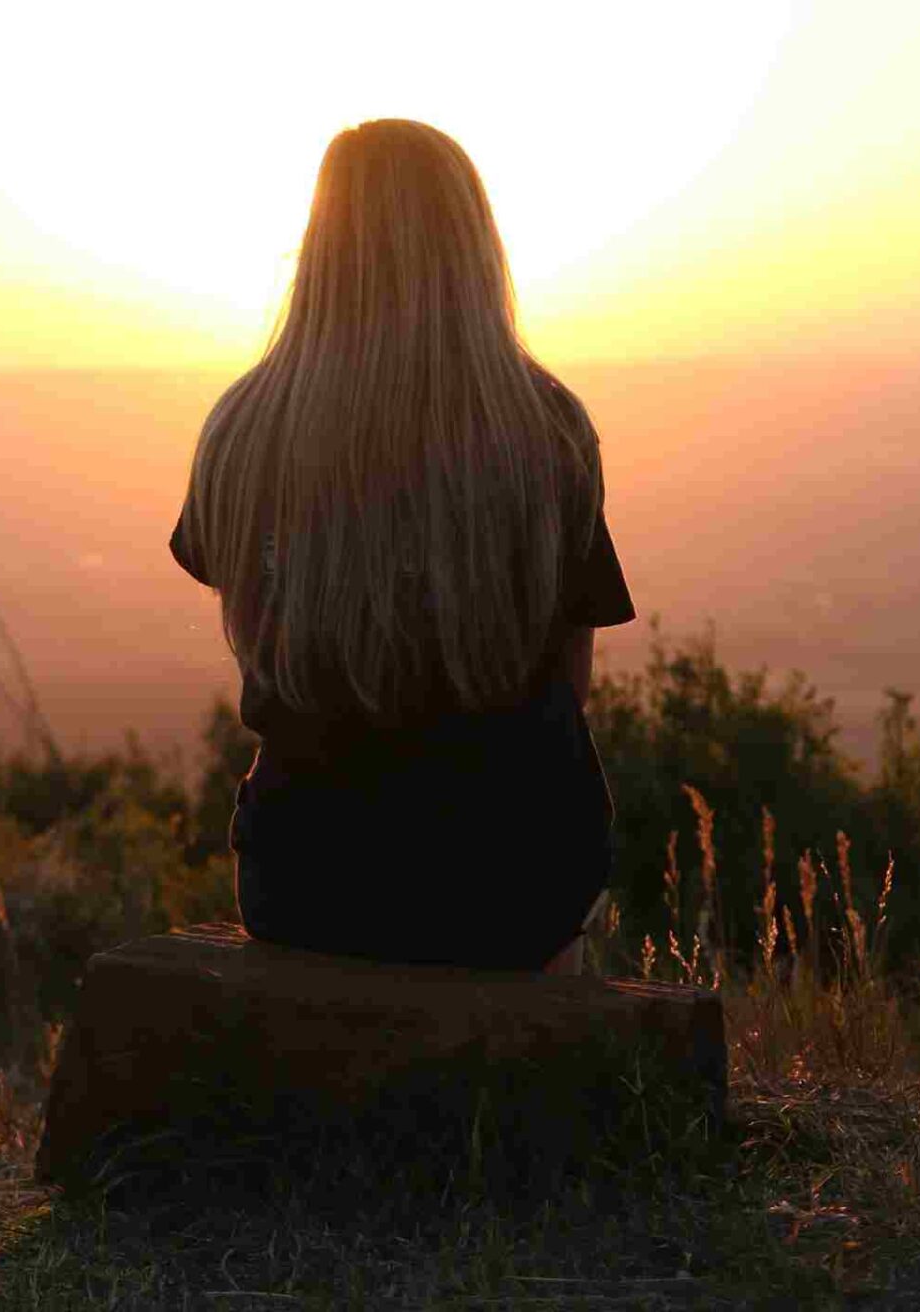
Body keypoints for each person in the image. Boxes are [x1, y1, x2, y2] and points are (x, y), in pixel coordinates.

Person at [168, 119, 634, 971]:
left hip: (305, 882)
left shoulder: (241, 432)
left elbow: (260, 646)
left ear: (319, 247)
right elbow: (572, 691)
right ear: (473, 250)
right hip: (515, 885)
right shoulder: (549, 431)